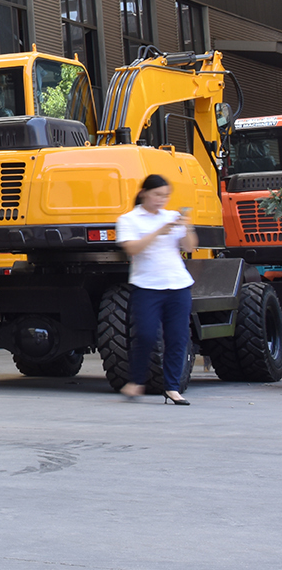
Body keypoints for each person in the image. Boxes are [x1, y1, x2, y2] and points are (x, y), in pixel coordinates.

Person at [116, 173, 197, 404]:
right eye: (157, 195)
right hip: (147, 286)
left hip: (178, 285)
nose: (162, 200)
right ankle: (136, 381)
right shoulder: (129, 219)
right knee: (146, 334)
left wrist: (187, 227)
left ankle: (172, 388)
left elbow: (190, 246)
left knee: (177, 338)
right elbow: (132, 249)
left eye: (166, 196)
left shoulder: (171, 216)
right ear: (144, 193)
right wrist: (158, 232)